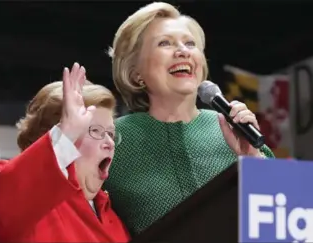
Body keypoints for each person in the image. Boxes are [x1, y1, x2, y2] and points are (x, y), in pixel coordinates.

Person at [104, 2, 275, 236]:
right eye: (165, 43)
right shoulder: (112, 140)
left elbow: (282, 216)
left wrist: (252, 158)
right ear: (136, 72)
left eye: (190, 43)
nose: (183, 51)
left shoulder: (233, 128)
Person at [0, 63, 130, 243]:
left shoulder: (113, 217)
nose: (109, 143)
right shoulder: (13, 191)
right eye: (95, 131)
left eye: (111, 134)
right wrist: (66, 132)